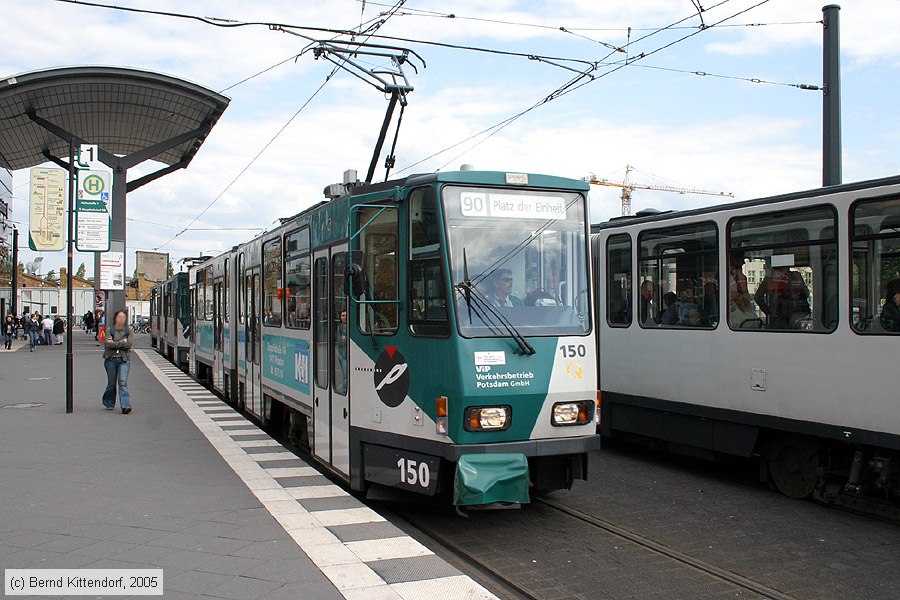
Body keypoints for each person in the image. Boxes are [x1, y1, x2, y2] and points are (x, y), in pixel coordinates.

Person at [102, 309, 133, 414]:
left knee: (122, 383)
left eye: (123, 317)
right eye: (119, 317)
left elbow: (129, 344)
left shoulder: (128, 331)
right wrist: (121, 342)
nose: (121, 319)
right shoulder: (109, 330)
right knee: (111, 383)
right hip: (111, 359)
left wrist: (115, 343)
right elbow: (107, 344)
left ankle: (125, 405)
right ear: (115, 318)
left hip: (124, 360)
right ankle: (109, 402)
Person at [335, 309, 348, 395]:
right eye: (343, 315)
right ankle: (345, 391)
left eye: (346, 315)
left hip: (350, 354)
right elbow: (340, 340)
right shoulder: (339, 327)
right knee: (345, 374)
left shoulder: (352, 326)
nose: (345, 317)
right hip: (342, 354)